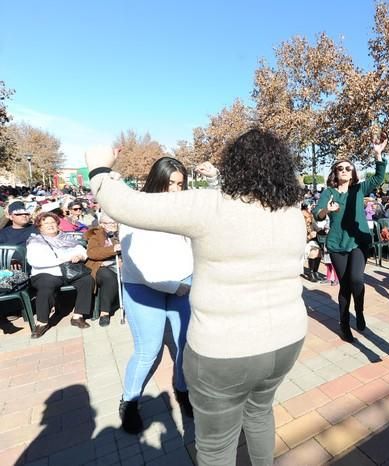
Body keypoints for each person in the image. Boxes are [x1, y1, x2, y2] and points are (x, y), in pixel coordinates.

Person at [86, 128, 307, 466]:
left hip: (226, 351)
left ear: (233, 166)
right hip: (287, 340)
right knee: (260, 414)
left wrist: (99, 169)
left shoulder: (209, 205)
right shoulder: (291, 212)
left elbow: (125, 205)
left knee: (217, 447)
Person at [115, 157, 198, 434]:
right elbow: (137, 264)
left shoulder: (184, 209)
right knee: (149, 350)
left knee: (184, 345)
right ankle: (129, 401)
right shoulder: (135, 211)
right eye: (169, 183)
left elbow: (214, 213)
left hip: (183, 282)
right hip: (144, 288)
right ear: (156, 181)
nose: (175, 190)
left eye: (180, 184)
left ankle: (183, 391)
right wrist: (175, 286)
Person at [312, 138, 387, 343]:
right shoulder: (329, 192)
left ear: (352, 173)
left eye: (348, 168)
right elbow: (317, 213)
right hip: (336, 244)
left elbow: (379, 177)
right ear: (335, 173)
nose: (344, 170)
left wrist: (378, 155)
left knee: (356, 279)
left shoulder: (358, 190)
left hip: (358, 242)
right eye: (340, 168)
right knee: (345, 286)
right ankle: (344, 324)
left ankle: (359, 311)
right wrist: (327, 209)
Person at [26, 212, 94, 339]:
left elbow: (82, 251)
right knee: (46, 287)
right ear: (39, 226)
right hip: (46, 273)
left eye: (52, 222)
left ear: (57, 224)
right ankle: (42, 322)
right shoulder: (35, 242)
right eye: (46, 223)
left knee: (87, 280)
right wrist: (65, 258)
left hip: (69, 271)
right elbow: (35, 261)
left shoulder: (67, 237)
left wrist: (80, 256)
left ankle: (78, 316)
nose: (50, 225)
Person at [84, 213, 121, 326]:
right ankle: (104, 312)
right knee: (109, 278)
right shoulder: (96, 235)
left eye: (115, 222)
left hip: (118, 264)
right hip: (100, 265)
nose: (114, 225)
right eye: (111, 223)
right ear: (102, 224)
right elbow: (92, 253)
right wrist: (113, 249)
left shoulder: (120, 233)